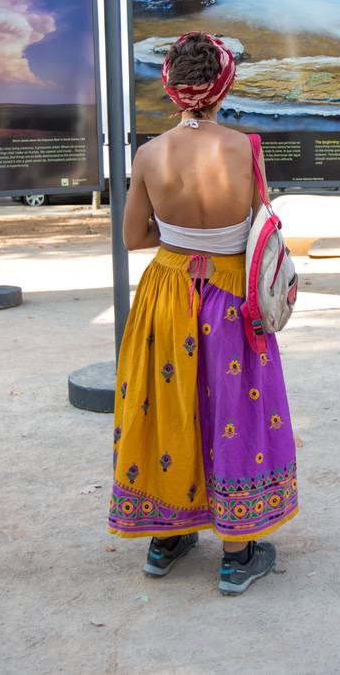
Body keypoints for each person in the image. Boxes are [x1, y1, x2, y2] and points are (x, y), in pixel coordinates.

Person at [110, 32, 299, 596]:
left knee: (165, 402)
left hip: (166, 293)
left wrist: (176, 233)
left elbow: (132, 238)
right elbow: (259, 224)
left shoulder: (149, 154)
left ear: (169, 87)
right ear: (225, 85)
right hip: (229, 298)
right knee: (231, 408)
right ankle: (237, 554)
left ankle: (165, 538)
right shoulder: (245, 148)